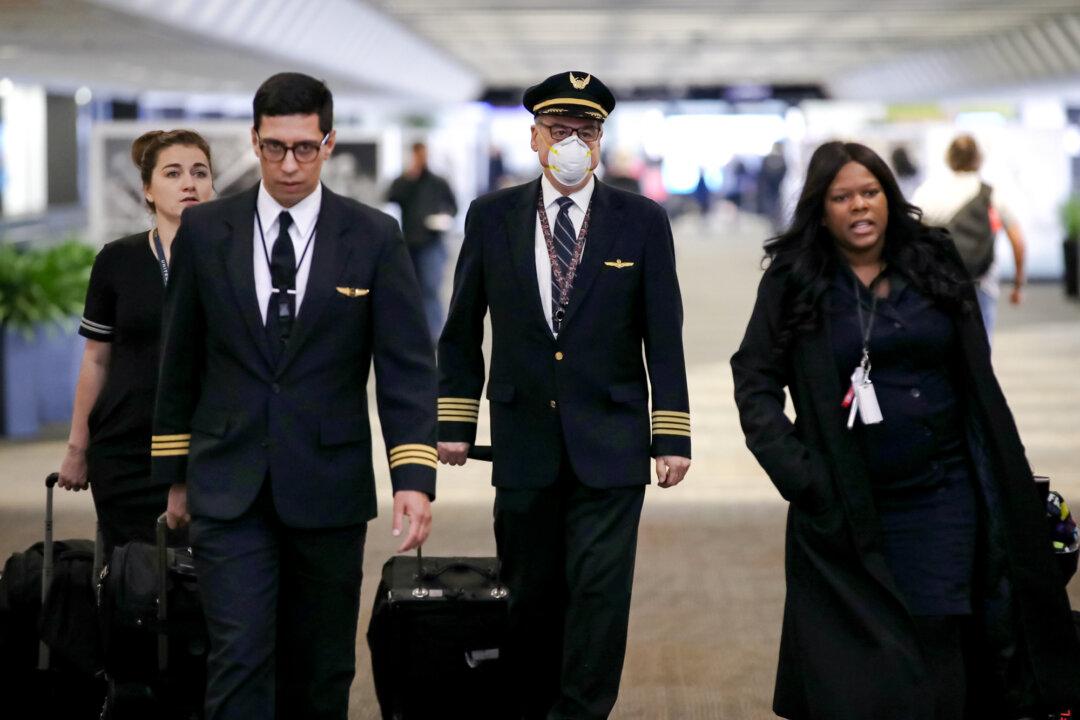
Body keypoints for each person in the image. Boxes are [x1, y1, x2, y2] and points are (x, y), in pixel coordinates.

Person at [731, 141, 1080, 719]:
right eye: (842, 197)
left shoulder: (933, 262)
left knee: (943, 642)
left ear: (889, 199)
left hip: (946, 496)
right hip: (847, 502)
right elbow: (754, 377)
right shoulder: (795, 280)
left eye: (870, 192)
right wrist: (800, 475)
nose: (859, 207)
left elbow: (977, 377)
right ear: (821, 209)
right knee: (868, 666)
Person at [151, 72, 436, 719]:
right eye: (274, 147)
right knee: (239, 655)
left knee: (321, 667)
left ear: (329, 143)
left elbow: (406, 367)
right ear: (253, 140)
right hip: (229, 482)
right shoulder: (206, 231)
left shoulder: (371, 236)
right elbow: (180, 359)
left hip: (328, 485)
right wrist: (173, 472)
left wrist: (412, 476)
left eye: (304, 148)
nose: (288, 164)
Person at [437, 71, 691, 720]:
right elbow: (463, 326)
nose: (571, 143)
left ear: (602, 139)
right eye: (559, 130)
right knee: (530, 596)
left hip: (611, 444)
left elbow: (664, 333)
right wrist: (456, 418)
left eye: (586, 131)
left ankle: (581, 712)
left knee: (600, 597)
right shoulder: (492, 218)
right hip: (524, 443)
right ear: (533, 138)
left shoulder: (640, 221)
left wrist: (672, 434)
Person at [58, 129, 213, 554]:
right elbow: (96, 360)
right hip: (125, 450)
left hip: (205, 450)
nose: (189, 183)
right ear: (147, 188)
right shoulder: (117, 260)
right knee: (130, 584)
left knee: (204, 590)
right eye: (173, 173)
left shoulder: (231, 261)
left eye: (200, 172)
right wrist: (77, 448)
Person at [912, 134, 1025, 340]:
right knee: (980, 344)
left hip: (937, 282)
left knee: (940, 344)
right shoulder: (991, 193)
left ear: (948, 158)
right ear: (978, 159)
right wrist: (1018, 284)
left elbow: (910, 238)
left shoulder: (927, 192)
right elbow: (1017, 241)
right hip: (981, 282)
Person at [386, 141, 458, 341]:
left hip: (432, 242)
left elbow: (453, 206)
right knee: (409, 290)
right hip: (409, 243)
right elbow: (391, 197)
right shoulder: (404, 181)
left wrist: (443, 217)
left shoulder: (438, 182)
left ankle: (435, 334)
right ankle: (413, 331)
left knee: (430, 288)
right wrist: (409, 178)